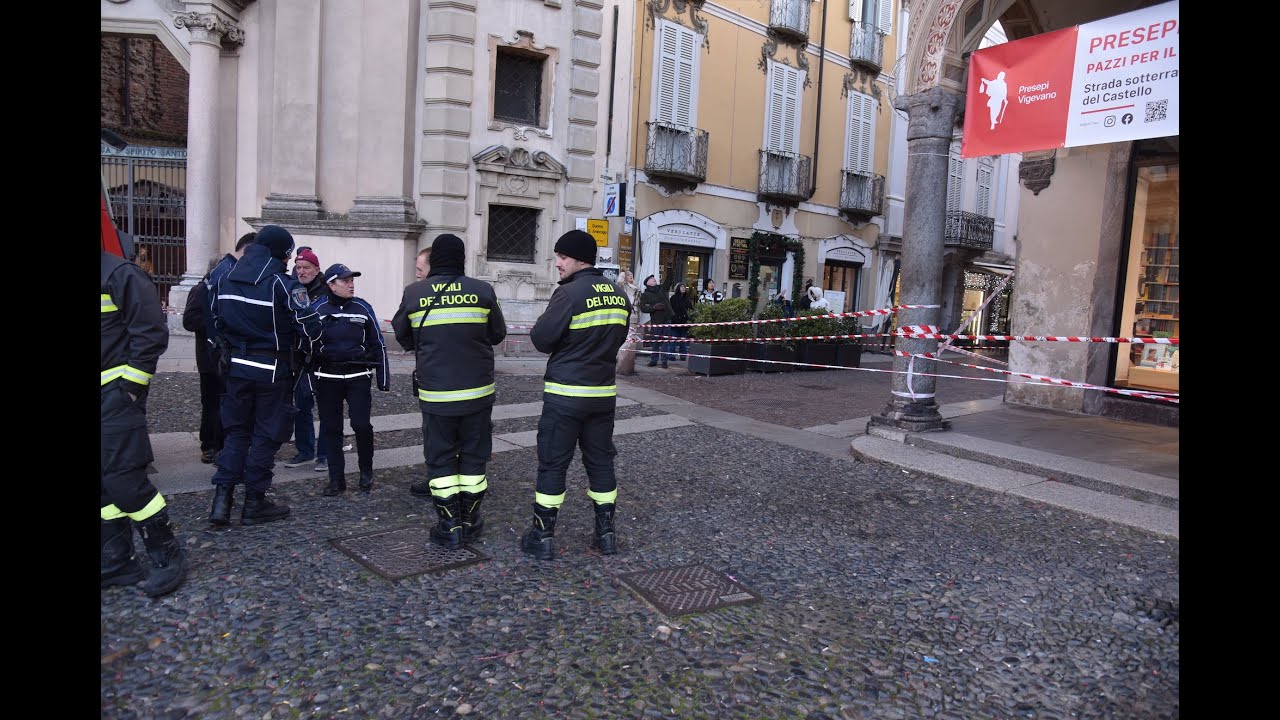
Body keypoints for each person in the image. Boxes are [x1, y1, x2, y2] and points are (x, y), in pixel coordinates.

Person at [521, 230, 631, 560]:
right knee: (600, 463)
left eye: (562, 257)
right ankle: (606, 534)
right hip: (602, 395)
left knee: (553, 463)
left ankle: (542, 535)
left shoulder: (569, 295)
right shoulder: (618, 295)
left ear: (579, 259)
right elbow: (618, 338)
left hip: (565, 395)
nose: (557, 263)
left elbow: (542, 339)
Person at [392, 234, 507, 548]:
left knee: (440, 459)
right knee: (474, 456)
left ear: (434, 260)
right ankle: (470, 520)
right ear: (462, 258)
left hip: (437, 394)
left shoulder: (414, 294)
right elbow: (498, 333)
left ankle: (449, 526)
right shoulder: (483, 290)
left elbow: (403, 336)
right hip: (478, 393)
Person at [208, 225, 323, 526]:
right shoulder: (284, 285)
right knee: (265, 437)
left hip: (235, 368)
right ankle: (254, 503)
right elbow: (311, 329)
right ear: (281, 254)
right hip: (272, 371)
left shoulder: (224, 278)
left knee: (236, 434)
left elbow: (213, 321)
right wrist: (305, 352)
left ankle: (221, 502)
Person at [102, 248, 189, 597]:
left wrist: (130, 390)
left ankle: (168, 553)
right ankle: (116, 560)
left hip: (114, 397)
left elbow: (151, 333)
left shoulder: (119, 274)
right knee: (105, 485)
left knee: (125, 479)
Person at [311, 264, 390, 495]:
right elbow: (306, 345)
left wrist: (383, 378)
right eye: (344, 280)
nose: (351, 284)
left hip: (358, 376)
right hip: (327, 377)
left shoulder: (363, 307)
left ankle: (366, 471)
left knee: (361, 425)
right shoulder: (317, 308)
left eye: (352, 280)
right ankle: (336, 480)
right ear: (331, 285)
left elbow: (377, 342)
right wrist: (307, 379)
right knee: (332, 428)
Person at [283, 248, 335, 472]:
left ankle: (324, 453)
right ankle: (305, 451)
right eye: (299, 267)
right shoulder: (290, 288)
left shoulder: (325, 291)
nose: (301, 271)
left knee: (326, 406)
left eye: (306, 268)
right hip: (298, 356)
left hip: (321, 356)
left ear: (316, 269)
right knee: (301, 405)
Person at [639, 273, 673, 368]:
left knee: (666, 341)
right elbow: (643, 308)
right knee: (655, 342)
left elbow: (669, 281)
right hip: (656, 320)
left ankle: (664, 361)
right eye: (651, 278)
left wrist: (670, 269)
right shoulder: (645, 294)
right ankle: (654, 360)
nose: (654, 279)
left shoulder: (662, 288)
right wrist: (654, 307)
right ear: (648, 283)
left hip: (666, 318)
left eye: (654, 278)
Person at [613, 270, 642, 376]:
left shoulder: (635, 287)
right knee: (626, 337)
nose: (631, 277)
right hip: (626, 311)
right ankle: (621, 361)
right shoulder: (623, 286)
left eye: (632, 275)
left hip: (635, 312)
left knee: (632, 338)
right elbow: (619, 283)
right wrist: (622, 274)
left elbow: (638, 299)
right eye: (629, 275)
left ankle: (628, 362)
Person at [668, 281, 693, 362]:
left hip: (684, 322)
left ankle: (683, 355)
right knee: (674, 339)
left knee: (683, 340)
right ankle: (671, 355)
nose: (683, 288)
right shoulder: (673, 298)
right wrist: (674, 319)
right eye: (681, 287)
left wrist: (689, 319)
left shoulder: (687, 299)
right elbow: (671, 310)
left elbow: (690, 310)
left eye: (684, 287)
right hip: (675, 322)